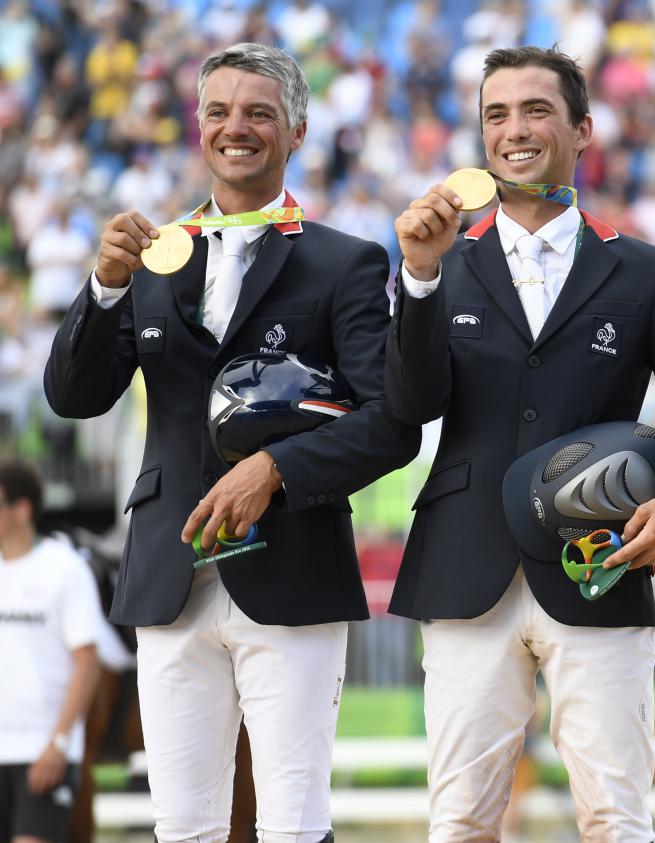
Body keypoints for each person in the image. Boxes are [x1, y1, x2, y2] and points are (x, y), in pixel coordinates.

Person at [44, 43, 419, 843]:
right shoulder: (148, 259)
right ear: (197, 126)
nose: (235, 128)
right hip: (168, 574)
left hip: (293, 567)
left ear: (298, 132)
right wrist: (104, 288)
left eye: (258, 113)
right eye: (218, 111)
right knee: (181, 825)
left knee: (291, 822)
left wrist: (276, 466)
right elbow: (73, 397)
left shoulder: (343, 262)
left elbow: (390, 422)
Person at [385, 46, 655, 842]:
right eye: (496, 114)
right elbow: (410, 406)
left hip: (600, 566)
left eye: (536, 110)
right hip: (464, 568)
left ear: (583, 129)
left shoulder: (649, 273)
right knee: (459, 823)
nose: (515, 130)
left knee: (617, 819)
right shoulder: (438, 264)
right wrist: (415, 280)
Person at [0, 463, 101, 843]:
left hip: (42, 754)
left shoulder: (65, 569)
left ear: (23, 509)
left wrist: (59, 743)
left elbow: (87, 663)